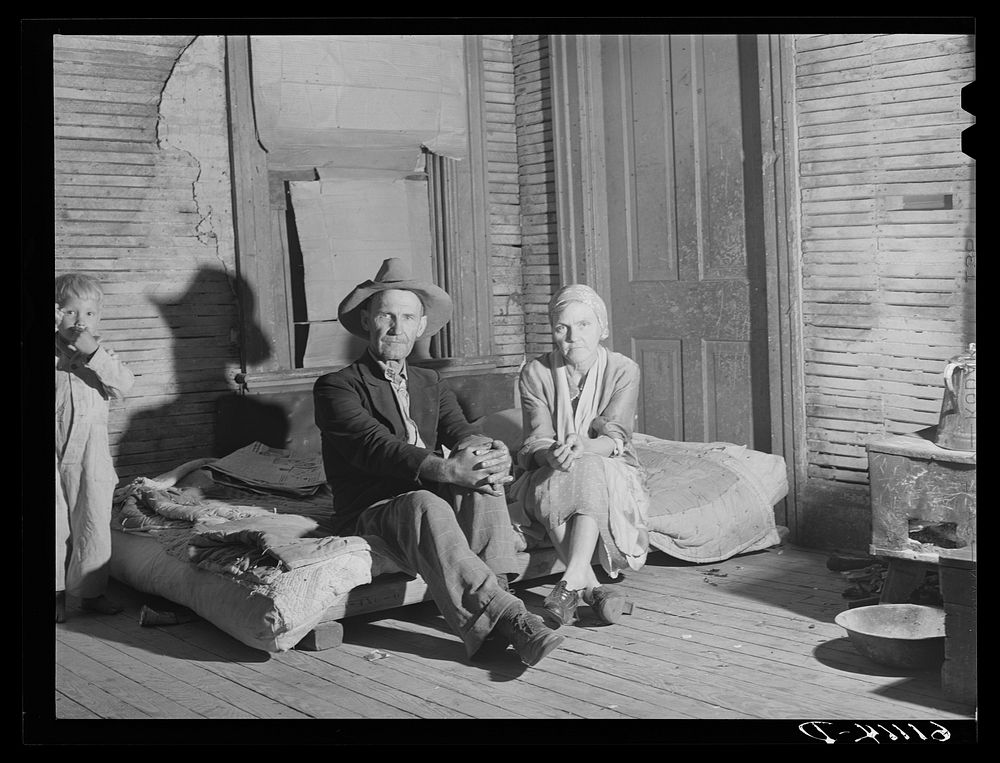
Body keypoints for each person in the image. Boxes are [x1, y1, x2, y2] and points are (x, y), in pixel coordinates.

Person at [313, 258, 564, 667]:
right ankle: (512, 618)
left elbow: (461, 432)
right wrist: (448, 470)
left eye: (407, 317)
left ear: (420, 326)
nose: (396, 328)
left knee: (482, 473)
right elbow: (375, 446)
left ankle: (498, 595)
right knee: (428, 501)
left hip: (426, 498)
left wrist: (490, 449)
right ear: (366, 320)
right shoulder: (336, 387)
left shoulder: (430, 382)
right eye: (385, 316)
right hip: (370, 508)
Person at [508, 284, 650, 629]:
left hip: (608, 461)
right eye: (562, 327)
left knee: (585, 466)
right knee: (554, 475)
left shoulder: (623, 370)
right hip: (554, 464)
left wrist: (581, 448)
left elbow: (616, 437)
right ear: (553, 331)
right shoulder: (535, 373)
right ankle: (589, 590)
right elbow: (536, 441)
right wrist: (553, 455)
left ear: (602, 329)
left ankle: (570, 583)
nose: (573, 336)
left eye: (584, 325)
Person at [55, 273, 135, 623]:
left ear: (98, 319)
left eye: (88, 314)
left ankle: (90, 593)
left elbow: (124, 385)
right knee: (56, 523)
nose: (79, 321)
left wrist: (94, 355)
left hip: (91, 451)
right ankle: (55, 594)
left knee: (93, 520)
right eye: (70, 313)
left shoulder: (102, 357)